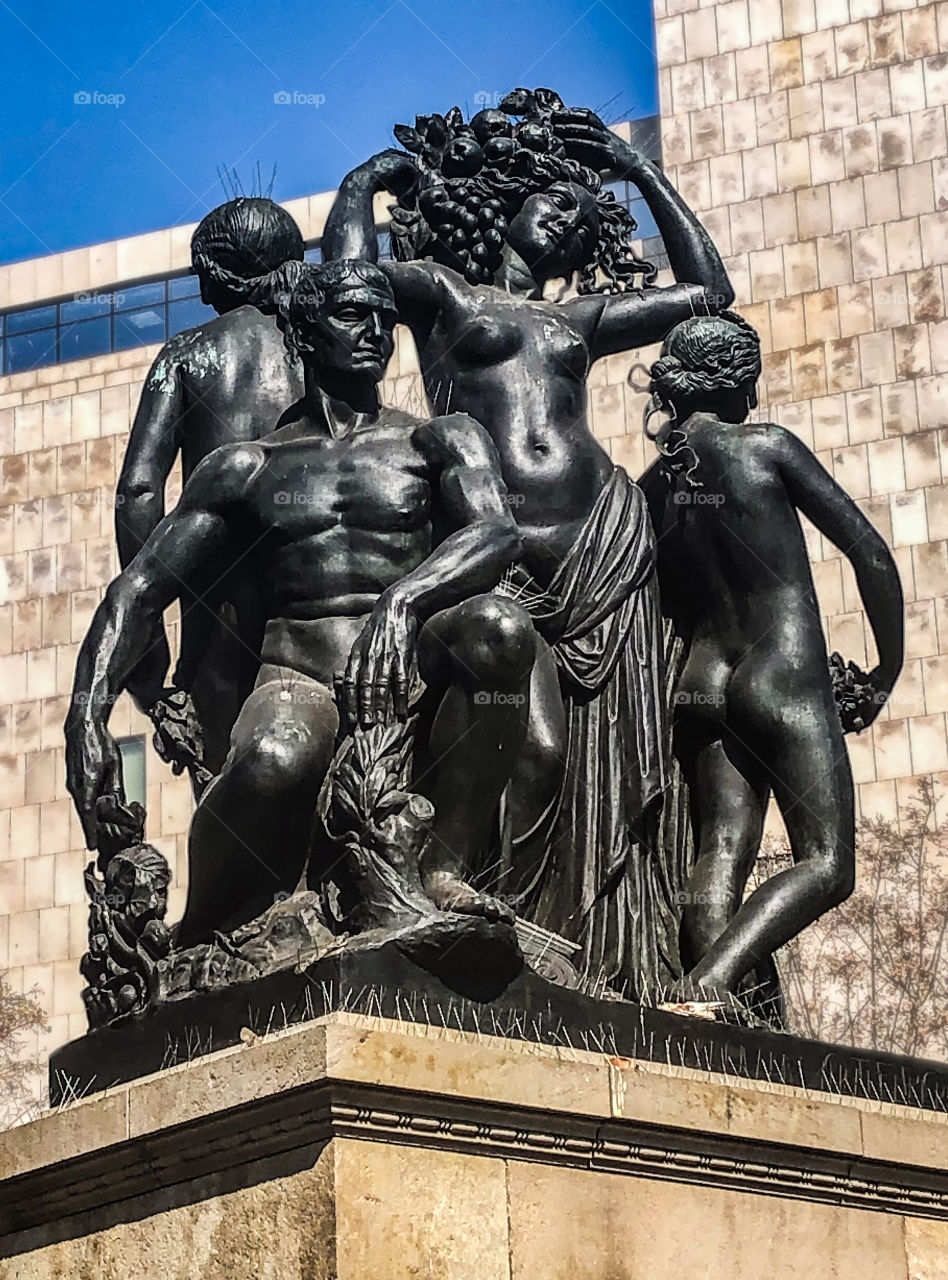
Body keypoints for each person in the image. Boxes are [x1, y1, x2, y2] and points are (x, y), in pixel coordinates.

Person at [320, 93, 735, 998]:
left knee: (607, 760)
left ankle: (582, 960)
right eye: (554, 201)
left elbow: (711, 296)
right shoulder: (446, 294)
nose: (565, 220)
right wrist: (359, 188)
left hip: (603, 549)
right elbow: (344, 286)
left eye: (581, 217)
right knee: (536, 746)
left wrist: (640, 173)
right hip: (495, 547)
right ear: (507, 202)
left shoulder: (576, 320)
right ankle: (471, 910)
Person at [67, 261, 535, 947]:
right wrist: (87, 715)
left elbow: (496, 532)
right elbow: (138, 590)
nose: (375, 331)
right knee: (272, 759)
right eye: (352, 314)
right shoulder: (247, 467)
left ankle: (443, 869)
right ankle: (206, 926)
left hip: (415, 666)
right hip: (301, 677)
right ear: (303, 334)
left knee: (500, 626)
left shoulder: (438, 439)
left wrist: (404, 601)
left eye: (385, 318)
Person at [639, 313, 904, 1007]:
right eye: (749, 382)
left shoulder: (654, 488)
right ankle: (710, 983)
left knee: (719, 856)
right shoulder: (765, 446)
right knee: (829, 864)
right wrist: (887, 670)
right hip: (782, 673)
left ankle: (706, 1002)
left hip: (702, 683)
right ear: (731, 382)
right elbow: (872, 556)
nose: (754, 397)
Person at [115, 197, 307, 776]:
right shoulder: (318, 343)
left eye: (205, 276)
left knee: (225, 785)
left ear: (224, 273)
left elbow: (138, 492)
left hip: (217, 596)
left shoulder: (183, 354)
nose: (201, 295)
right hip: (317, 587)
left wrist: (147, 625)